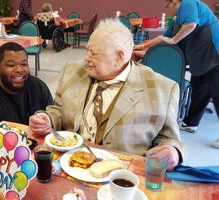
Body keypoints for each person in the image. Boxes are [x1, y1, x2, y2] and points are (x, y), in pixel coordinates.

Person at [29, 18, 185, 170]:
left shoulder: (161, 89)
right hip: (70, 164)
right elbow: (58, 109)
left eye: (94, 53)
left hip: (121, 174)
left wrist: (173, 152)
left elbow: (169, 139)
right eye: (87, 50)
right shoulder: (73, 71)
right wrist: (48, 119)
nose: (86, 58)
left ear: (119, 57)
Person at [134, 0, 219, 147]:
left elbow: (191, 25)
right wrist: (142, 46)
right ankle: (190, 123)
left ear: (174, 2)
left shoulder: (187, 3)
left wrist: (174, 40)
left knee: (217, 89)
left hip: (213, 47)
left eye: (167, 6)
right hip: (201, 53)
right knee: (199, 86)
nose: (167, 10)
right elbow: (162, 39)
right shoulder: (176, 21)